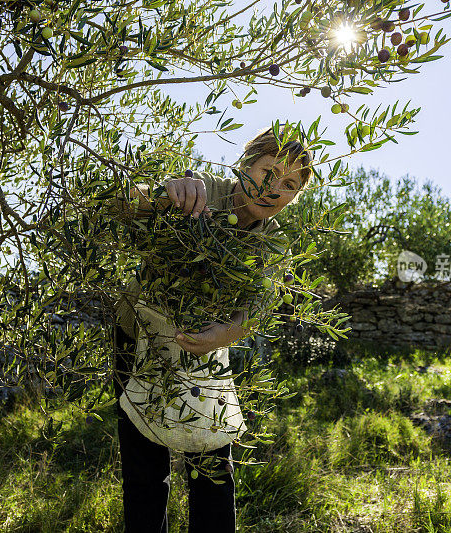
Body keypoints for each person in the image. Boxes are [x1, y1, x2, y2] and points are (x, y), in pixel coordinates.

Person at [112, 126, 313, 532]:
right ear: (244, 165)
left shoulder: (272, 245)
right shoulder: (202, 192)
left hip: (206, 349)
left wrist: (227, 334)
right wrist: (163, 189)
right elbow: (124, 204)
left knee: (213, 465)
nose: (275, 189)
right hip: (138, 336)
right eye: (268, 172)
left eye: (290, 184)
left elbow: (253, 309)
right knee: (145, 468)